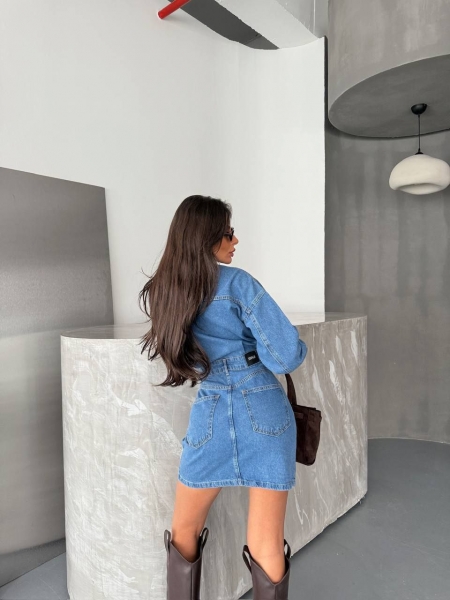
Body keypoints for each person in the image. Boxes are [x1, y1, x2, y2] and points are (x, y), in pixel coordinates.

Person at [138, 195, 308, 600]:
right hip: (263, 406)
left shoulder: (165, 291)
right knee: (266, 540)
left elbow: (179, 354)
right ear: (207, 235)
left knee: (183, 531)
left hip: (210, 410)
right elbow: (286, 355)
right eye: (228, 233)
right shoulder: (238, 283)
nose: (235, 240)